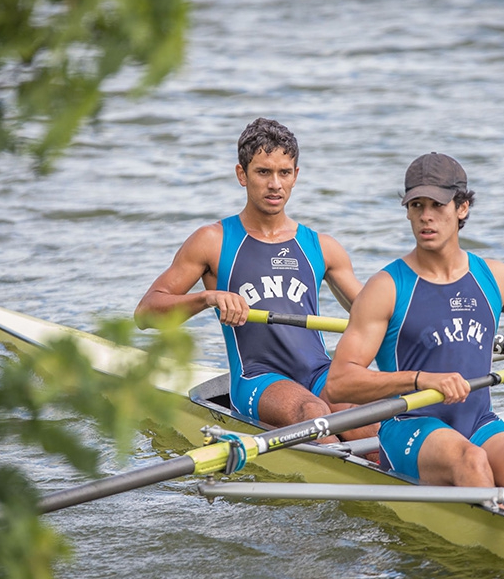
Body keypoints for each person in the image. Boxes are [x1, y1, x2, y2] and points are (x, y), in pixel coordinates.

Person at [324, 152, 504, 518]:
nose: (426, 216)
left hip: (477, 421)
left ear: (462, 207)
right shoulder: (387, 287)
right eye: (416, 205)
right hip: (410, 427)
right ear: (407, 211)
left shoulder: (491, 277)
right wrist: (419, 379)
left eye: (437, 205)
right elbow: (338, 383)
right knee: (471, 460)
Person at [135, 117, 374, 446]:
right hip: (257, 379)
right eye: (263, 172)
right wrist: (209, 298)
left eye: (284, 173)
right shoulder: (213, 241)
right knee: (313, 415)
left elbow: (375, 317)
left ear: (296, 176)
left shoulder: (321, 247)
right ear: (241, 175)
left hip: (319, 372)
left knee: (376, 421)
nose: (275, 184)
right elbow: (146, 313)